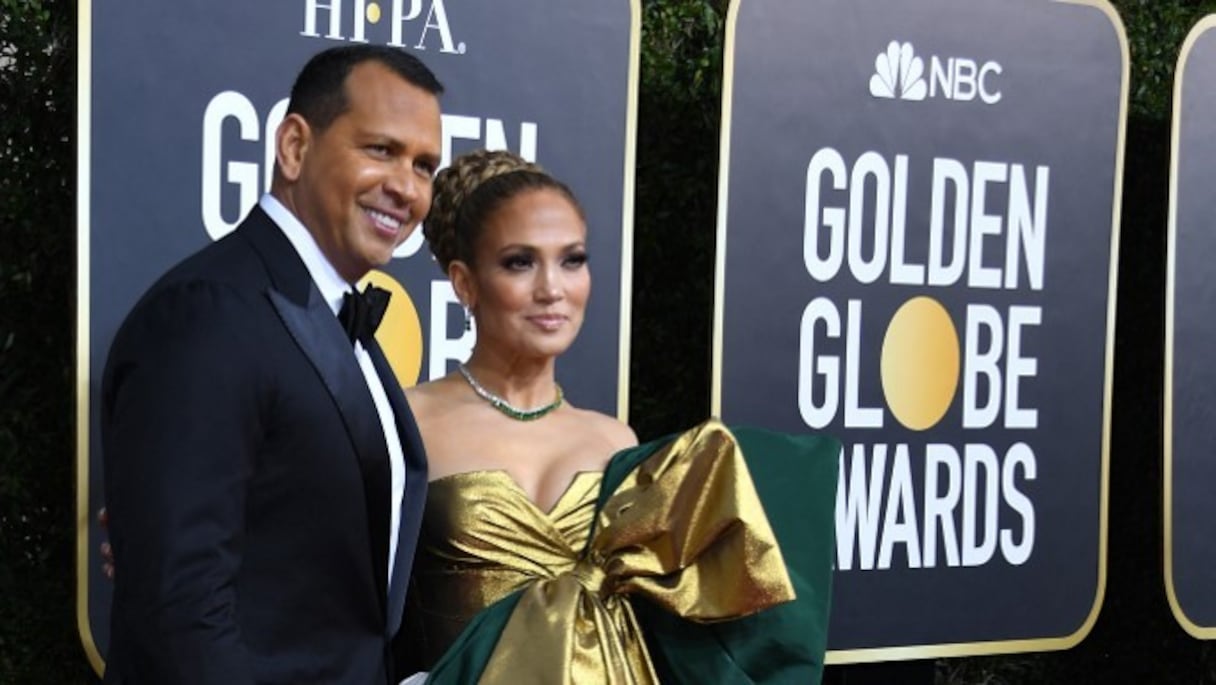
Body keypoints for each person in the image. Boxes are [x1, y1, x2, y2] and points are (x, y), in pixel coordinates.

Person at [394, 150, 841, 684]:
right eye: (519, 262)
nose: (552, 289)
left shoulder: (614, 441)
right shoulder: (408, 419)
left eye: (572, 260)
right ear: (465, 283)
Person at [100, 45, 442, 685]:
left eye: (424, 166)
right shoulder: (207, 313)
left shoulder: (341, 322)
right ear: (293, 147)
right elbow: (182, 617)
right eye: (381, 150)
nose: (406, 187)